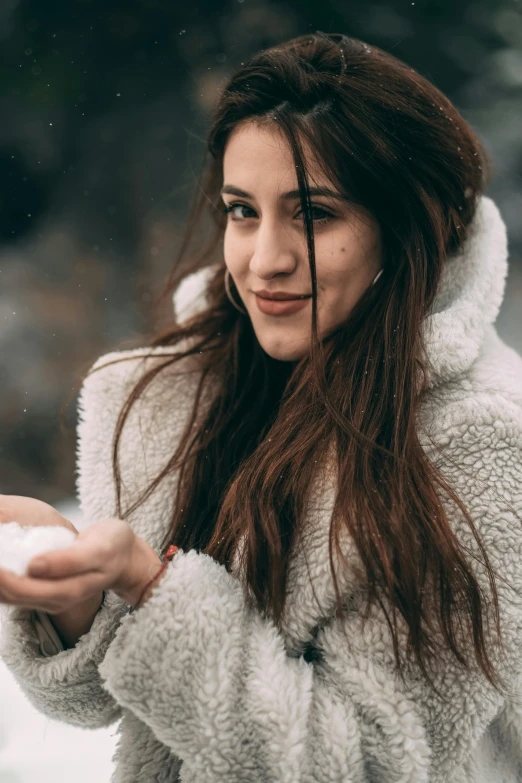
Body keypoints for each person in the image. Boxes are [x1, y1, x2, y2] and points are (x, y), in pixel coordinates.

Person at [1, 31, 522, 782]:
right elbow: (103, 703)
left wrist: (152, 586)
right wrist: (75, 591)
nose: (264, 258)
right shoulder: (182, 396)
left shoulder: (477, 446)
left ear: (404, 227)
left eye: (313, 214)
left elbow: (372, 767)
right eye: (242, 211)